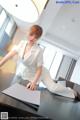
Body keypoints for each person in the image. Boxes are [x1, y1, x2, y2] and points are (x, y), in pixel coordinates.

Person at [0, 25, 78, 99]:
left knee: (53, 89)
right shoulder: (22, 43)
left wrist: (33, 83)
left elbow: (39, 69)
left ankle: (71, 91)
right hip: (28, 72)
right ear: (28, 32)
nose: (33, 38)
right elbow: (9, 55)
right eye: (31, 34)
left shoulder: (38, 50)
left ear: (38, 38)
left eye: (36, 37)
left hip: (42, 73)